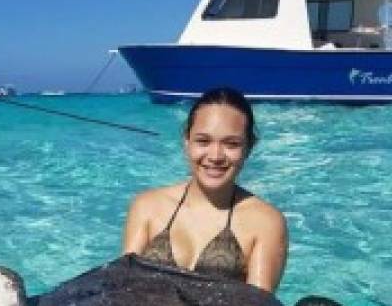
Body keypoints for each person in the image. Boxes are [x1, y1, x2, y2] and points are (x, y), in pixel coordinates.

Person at [123, 87, 288, 292]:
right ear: (187, 141)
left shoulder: (266, 222)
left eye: (231, 144)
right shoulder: (146, 206)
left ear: (249, 147)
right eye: (203, 141)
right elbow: (123, 288)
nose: (215, 155)